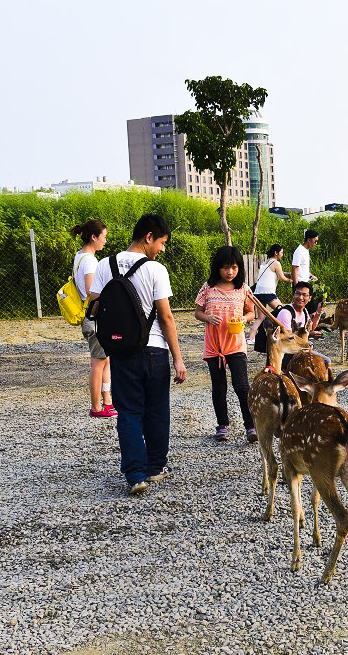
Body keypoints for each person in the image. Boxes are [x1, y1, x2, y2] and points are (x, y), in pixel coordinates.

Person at [87, 213, 187, 496]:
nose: (163, 249)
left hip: (121, 350)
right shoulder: (156, 270)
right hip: (154, 350)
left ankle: (135, 475)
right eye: (163, 242)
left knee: (128, 412)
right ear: (148, 237)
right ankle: (155, 467)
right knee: (157, 410)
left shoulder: (105, 264)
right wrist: (177, 358)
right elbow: (166, 317)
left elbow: (93, 305)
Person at [195, 246, 257, 444]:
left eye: (234, 267)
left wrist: (244, 319)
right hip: (214, 347)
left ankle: (251, 426)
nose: (230, 272)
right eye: (225, 268)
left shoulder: (243, 289)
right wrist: (207, 317)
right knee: (219, 387)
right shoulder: (208, 288)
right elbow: (197, 312)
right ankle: (222, 426)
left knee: (242, 386)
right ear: (217, 268)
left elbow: (251, 313)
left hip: (236, 345)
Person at [70, 218, 115, 418]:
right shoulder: (89, 259)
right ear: (94, 237)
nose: (105, 241)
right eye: (103, 237)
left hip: (91, 315)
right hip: (95, 315)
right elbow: (91, 291)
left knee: (105, 360)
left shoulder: (79, 256)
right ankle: (97, 407)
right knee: (98, 362)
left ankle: (108, 402)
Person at [276, 281, 330, 372]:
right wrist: (307, 343)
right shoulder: (286, 313)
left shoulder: (304, 311)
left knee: (326, 362)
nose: (300, 297)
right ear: (293, 295)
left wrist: (318, 313)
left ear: (309, 298)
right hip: (286, 353)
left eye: (304, 295)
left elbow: (310, 328)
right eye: (298, 294)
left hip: (300, 350)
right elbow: (289, 340)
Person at [245, 244, 292, 344]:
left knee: (261, 317)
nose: (282, 255)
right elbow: (282, 278)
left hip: (258, 292)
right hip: (268, 292)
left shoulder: (265, 262)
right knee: (282, 311)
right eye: (281, 252)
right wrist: (292, 280)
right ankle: (284, 334)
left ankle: (251, 338)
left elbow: (280, 273)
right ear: (276, 253)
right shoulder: (276, 263)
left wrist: (287, 274)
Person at [291, 229, 321, 315]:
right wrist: (296, 286)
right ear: (309, 240)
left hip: (306, 283)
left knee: (310, 308)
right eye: (315, 241)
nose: (316, 244)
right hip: (301, 284)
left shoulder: (305, 251)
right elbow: (294, 268)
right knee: (311, 309)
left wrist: (311, 276)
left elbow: (303, 269)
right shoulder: (299, 251)